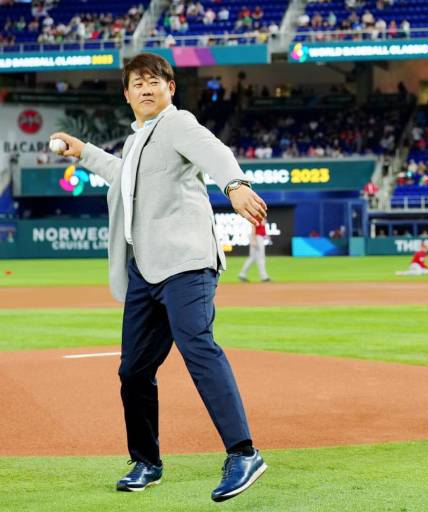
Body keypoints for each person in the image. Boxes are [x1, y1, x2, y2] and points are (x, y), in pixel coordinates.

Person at [49, 53, 268, 502]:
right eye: (137, 83)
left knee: (196, 344)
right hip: (145, 271)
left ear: (170, 87)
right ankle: (146, 461)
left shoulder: (177, 124)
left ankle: (243, 453)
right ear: (126, 94)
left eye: (154, 81)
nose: (146, 89)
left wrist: (235, 185)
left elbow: (215, 152)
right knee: (133, 371)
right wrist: (85, 151)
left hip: (186, 262)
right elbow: (122, 176)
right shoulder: (138, 141)